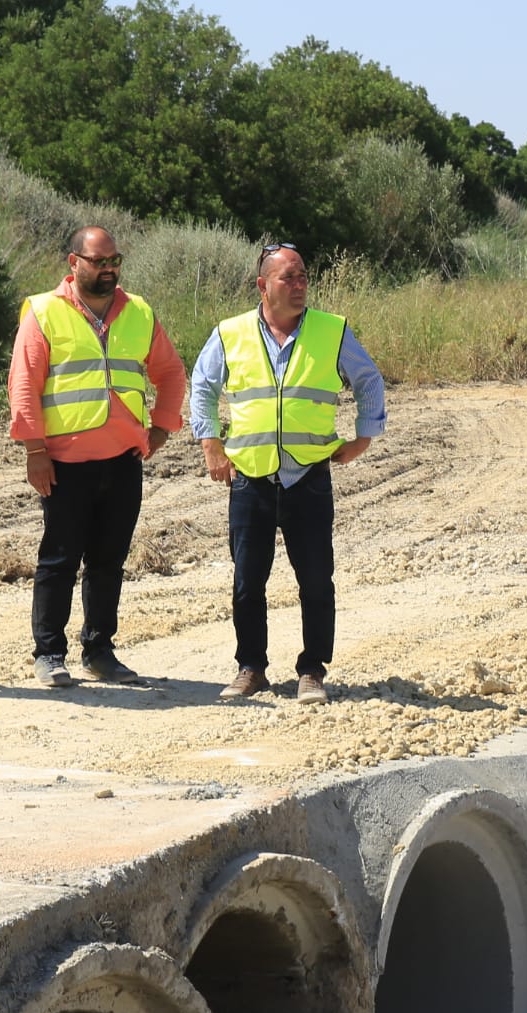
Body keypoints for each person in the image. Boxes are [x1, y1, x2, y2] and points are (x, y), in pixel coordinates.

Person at [189, 243, 385, 704]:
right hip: (250, 479)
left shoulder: (330, 330)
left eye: (302, 277)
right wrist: (211, 443)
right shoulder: (230, 333)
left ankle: (312, 670)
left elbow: (368, 380)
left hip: (309, 478)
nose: (298, 286)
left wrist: (364, 435)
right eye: (287, 278)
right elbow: (202, 385)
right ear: (263, 286)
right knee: (247, 582)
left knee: (316, 579)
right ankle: (250, 667)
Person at [8, 225, 187, 688]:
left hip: (123, 460)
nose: (108, 269)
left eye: (114, 261)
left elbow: (169, 371)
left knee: (109, 561)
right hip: (65, 463)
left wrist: (163, 424)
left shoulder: (139, 312)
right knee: (59, 559)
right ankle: (49, 653)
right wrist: (34, 450)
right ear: (74, 263)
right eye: (97, 261)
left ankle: (100, 650)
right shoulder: (44, 311)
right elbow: (24, 384)